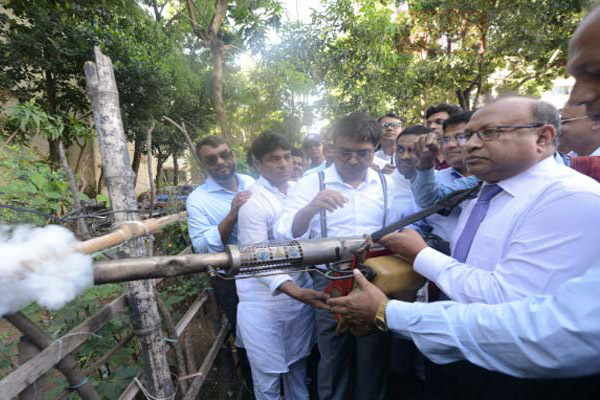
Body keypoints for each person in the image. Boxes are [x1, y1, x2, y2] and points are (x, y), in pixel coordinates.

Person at [330, 4, 600, 382]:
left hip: (511, 375)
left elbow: (503, 302)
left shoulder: (572, 198)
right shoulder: (480, 191)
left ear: (543, 137)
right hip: (457, 354)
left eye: (488, 133)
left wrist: (416, 264)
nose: (469, 145)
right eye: (466, 135)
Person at [276, 112, 404, 400]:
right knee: (333, 356)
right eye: (345, 153)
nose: (354, 161)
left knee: (373, 357)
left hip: (377, 278)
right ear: (332, 147)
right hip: (329, 280)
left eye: (363, 153)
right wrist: (310, 209)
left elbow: (402, 229)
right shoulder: (312, 183)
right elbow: (285, 233)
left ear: (375, 149)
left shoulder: (387, 184)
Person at [236, 132, 327, 400]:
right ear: (257, 164)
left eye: (287, 157)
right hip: (264, 303)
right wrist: (295, 291)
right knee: (267, 379)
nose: (284, 163)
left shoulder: (297, 191)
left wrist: (300, 291)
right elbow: (255, 258)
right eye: (274, 159)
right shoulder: (253, 201)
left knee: (298, 368)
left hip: (298, 297)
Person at [185, 135, 255, 389]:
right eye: (211, 159)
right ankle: (255, 388)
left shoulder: (252, 182)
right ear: (203, 165)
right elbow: (203, 247)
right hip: (231, 279)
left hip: (266, 269)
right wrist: (233, 213)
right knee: (247, 336)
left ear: (233, 155)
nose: (221, 162)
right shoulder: (198, 199)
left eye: (225, 154)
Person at [425, 103, 463, 170]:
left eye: (439, 122)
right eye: (428, 124)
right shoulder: (422, 158)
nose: (432, 127)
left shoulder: (466, 157)